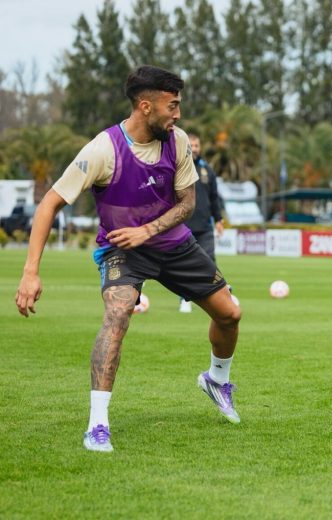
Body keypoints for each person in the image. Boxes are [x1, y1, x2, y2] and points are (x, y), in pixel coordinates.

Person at [15, 66, 243, 452]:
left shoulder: (178, 141)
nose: (178, 114)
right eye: (172, 106)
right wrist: (30, 272)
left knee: (230, 314)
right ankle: (97, 425)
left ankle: (217, 379)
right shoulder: (103, 150)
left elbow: (187, 203)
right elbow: (49, 203)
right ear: (145, 106)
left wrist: (148, 230)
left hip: (173, 244)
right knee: (118, 314)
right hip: (122, 248)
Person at [179, 133, 225, 313]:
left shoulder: (207, 170)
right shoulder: (178, 167)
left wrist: (219, 219)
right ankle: (185, 299)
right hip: (183, 226)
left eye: (197, 145)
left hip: (205, 227)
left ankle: (219, 298)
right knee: (183, 266)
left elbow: (214, 198)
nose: (194, 148)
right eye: (191, 145)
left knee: (209, 263)